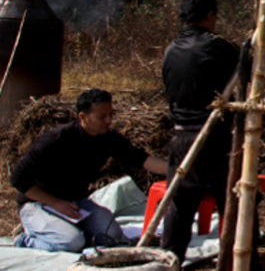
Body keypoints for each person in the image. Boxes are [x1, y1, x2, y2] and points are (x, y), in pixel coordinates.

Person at [161, 0, 265, 271]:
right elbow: (250, 80)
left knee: (178, 207)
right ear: (210, 15)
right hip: (215, 139)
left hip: (181, 137)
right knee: (239, 201)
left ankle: (168, 268)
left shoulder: (170, 50)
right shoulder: (216, 47)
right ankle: (245, 266)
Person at [10, 88, 168, 252]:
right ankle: (25, 238)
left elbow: (140, 159)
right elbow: (18, 179)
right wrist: (55, 203)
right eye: (101, 117)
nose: (108, 121)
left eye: (110, 115)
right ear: (82, 117)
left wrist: (177, 170)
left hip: (75, 202)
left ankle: (66, 231)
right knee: (71, 243)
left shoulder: (107, 138)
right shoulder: (54, 141)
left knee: (111, 236)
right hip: (38, 203)